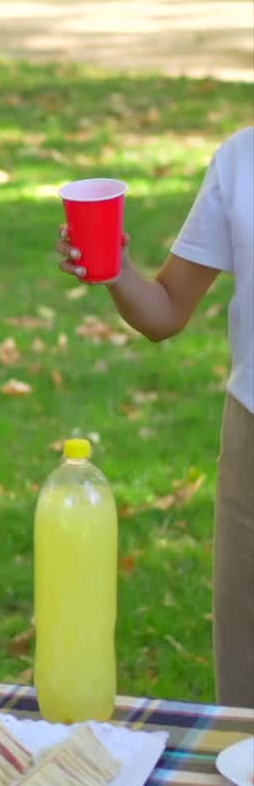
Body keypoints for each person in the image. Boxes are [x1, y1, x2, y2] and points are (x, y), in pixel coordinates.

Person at [58, 127, 253, 707]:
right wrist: (114, 268)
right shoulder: (241, 159)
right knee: (246, 676)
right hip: (251, 433)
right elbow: (165, 311)